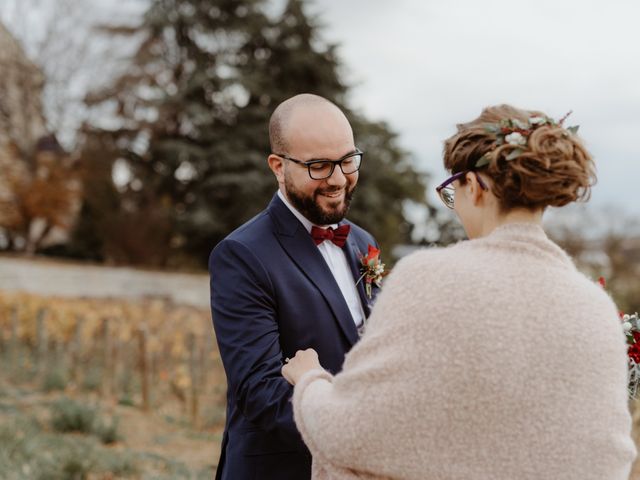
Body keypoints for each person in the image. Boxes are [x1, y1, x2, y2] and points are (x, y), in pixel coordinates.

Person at [282, 104, 637, 480]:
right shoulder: (595, 306)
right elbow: (609, 456)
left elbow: (350, 434)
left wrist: (310, 381)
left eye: (453, 191)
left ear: (475, 185)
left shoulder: (429, 278)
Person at [209, 93, 380, 480]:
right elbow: (261, 393)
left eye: (347, 160)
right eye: (319, 166)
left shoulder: (363, 242)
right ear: (278, 166)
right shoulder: (241, 255)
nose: (338, 179)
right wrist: (358, 431)